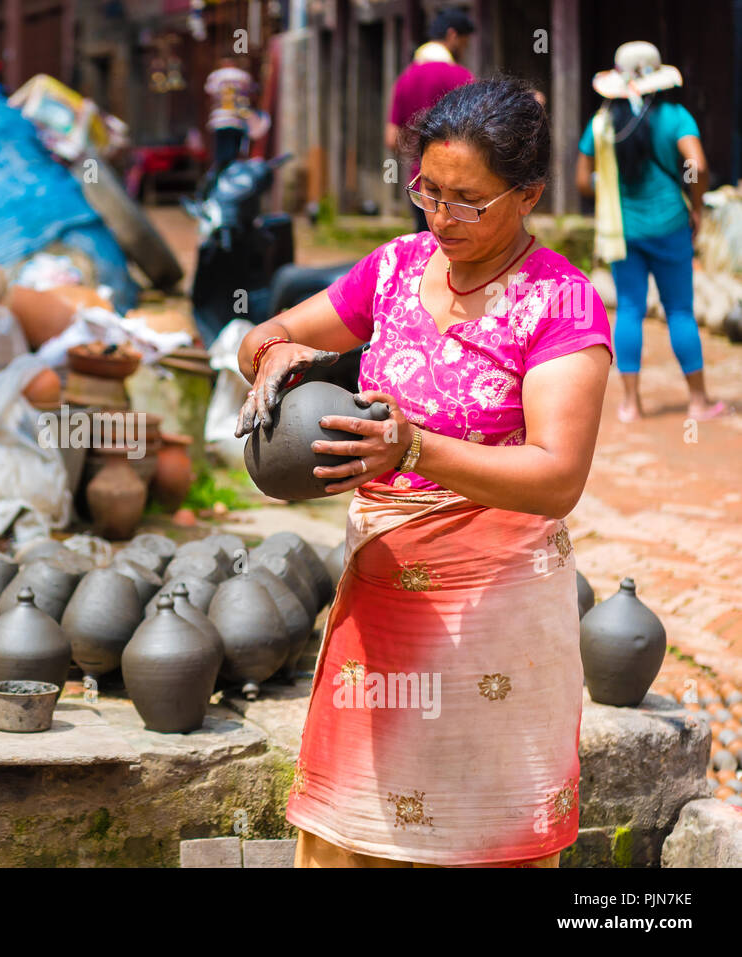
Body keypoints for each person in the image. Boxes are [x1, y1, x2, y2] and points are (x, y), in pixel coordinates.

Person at [235, 77, 612, 868]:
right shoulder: (396, 267)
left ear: (529, 194)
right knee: (354, 835)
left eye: (469, 201)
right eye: (429, 192)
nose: (442, 217)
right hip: (384, 601)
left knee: (481, 837)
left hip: (495, 619)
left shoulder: (561, 304)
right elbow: (268, 331)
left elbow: (556, 475)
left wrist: (414, 449)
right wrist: (274, 355)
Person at [576, 41, 728, 422]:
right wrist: (696, 204)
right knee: (679, 309)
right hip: (671, 226)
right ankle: (698, 401)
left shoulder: (602, 123)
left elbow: (582, 181)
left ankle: (631, 404)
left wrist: (612, 190)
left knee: (629, 308)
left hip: (621, 231)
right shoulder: (675, 116)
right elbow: (698, 164)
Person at [386, 8, 476, 232]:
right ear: (453, 35)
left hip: (420, 183)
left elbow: (391, 138)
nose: (464, 50)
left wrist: (420, 155)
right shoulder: (461, 77)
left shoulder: (404, 79)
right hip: (458, 185)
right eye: (465, 43)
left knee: (425, 244)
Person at [201, 57, 264, 191]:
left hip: (220, 119)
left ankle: (219, 184)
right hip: (238, 119)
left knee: (221, 155)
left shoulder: (215, 76)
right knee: (235, 154)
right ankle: (232, 181)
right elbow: (253, 95)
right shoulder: (243, 76)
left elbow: (208, 96)